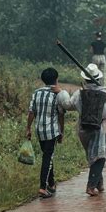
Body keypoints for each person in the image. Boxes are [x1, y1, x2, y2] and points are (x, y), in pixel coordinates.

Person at [68, 64, 106, 196]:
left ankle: (99, 183)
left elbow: (70, 105)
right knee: (100, 156)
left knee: (93, 154)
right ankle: (91, 186)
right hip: (101, 127)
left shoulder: (79, 93)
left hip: (83, 127)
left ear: (85, 79)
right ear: (99, 78)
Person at [26, 68, 70, 198]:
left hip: (39, 130)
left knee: (47, 156)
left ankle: (51, 184)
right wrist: (61, 131)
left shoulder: (37, 92)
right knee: (47, 158)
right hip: (52, 131)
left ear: (43, 79)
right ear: (56, 79)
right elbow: (61, 115)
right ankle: (42, 187)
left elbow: (31, 112)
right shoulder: (58, 94)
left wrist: (28, 128)